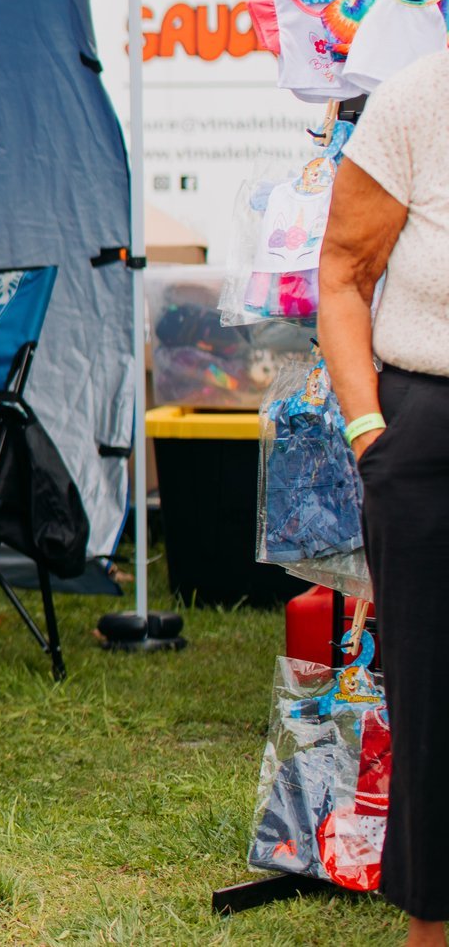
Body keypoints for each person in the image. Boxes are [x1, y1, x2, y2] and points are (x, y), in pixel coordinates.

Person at [319, 49, 449, 947]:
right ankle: (432, 921)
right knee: (433, 688)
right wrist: (370, 427)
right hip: (428, 427)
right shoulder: (415, 98)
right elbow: (342, 273)